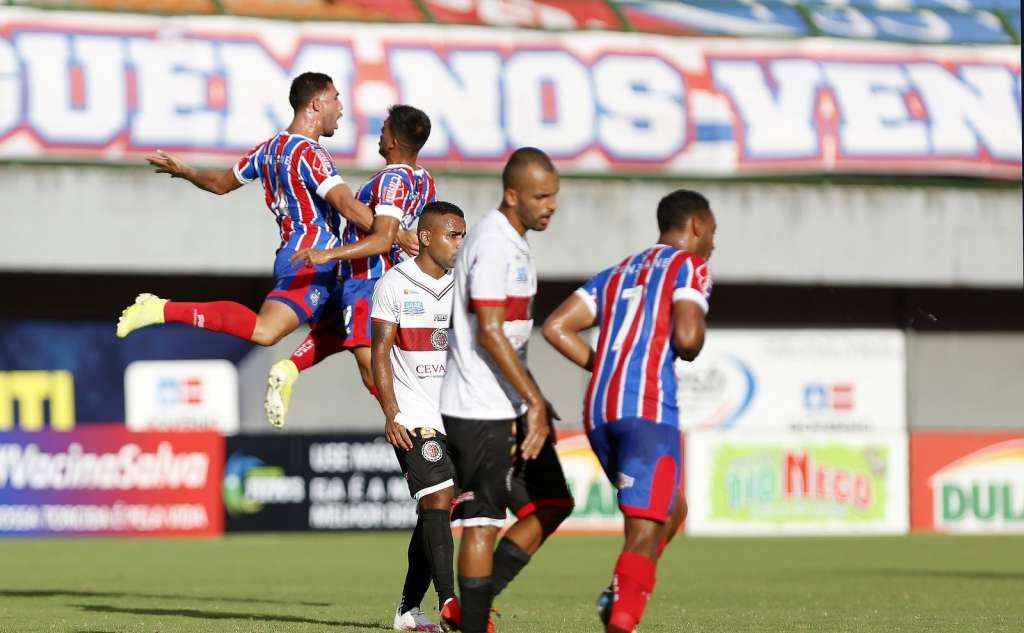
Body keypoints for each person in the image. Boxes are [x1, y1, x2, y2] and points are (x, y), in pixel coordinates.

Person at [541, 189, 716, 633]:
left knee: (671, 510)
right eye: (712, 232)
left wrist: (606, 365)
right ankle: (621, 617)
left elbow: (557, 326)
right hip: (647, 408)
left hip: (600, 409)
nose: (713, 242)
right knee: (644, 528)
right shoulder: (691, 265)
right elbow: (689, 340)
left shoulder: (619, 272)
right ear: (696, 226)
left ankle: (620, 590)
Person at [115, 72, 374, 348]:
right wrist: (392, 234)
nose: (341, 107)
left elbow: (220, 184)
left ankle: (285, 374)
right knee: (265, 331)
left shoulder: (267, 149)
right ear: (316, 104)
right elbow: (346, 204)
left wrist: (188, 172)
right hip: (311, 260)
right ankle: (160, 309)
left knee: (361, 346)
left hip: (303, 256)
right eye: (335, 98)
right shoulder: (309, 153)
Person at [438, 147, 574, 633]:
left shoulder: (515, 242)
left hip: (510, 404)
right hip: (477, 407)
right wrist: (533, 399)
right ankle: (472, 621)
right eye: (541, 196)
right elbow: (491, 332)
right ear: (511, 194)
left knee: (552, 502)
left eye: (554, 195)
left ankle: (470, 607)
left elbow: (510, 338)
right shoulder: (493, 242)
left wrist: (531, 396)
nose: (550, 205)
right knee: (482, 522)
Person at [266, 105, 436, 428]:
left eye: (384, 128)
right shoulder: (425, 181)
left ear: (395, 141)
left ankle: (411, 424)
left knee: (369, 365)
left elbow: (383, 239)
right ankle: (288, 369)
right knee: (335, 332)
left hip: (368, 281)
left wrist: (328, 255)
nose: (380, 133)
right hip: (396, 284)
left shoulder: (392, 179)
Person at [370, 201, 467, 632]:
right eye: (453, 234)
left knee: (436, 514)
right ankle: (450, 605)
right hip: (413, 414)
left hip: (457, 416)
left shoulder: (464, 285)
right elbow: (379, 353)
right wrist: (392, 413)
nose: (459, 243)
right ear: (426, 237)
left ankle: (409, 610)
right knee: (438, 500)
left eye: (463, 235)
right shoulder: (394, 283)